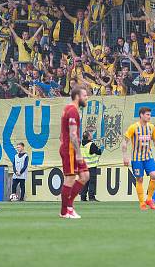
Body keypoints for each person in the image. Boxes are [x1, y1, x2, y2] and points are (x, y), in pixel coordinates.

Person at [122, 106, 155, 211]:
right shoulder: (133, 127)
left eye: (150, 114)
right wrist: (125, 156)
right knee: (139, 179)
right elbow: (125, 142)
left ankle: (149, 199)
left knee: (154, 175)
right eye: (147, 114)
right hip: (137, 158)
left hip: (148, 157)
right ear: (141, 115)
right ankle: (142, 203)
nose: (149, 116)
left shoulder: (151, 127)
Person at [59, 87, 90, 219]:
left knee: (85, 175)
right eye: (84, 95)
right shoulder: (72, 111)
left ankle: (68, 207)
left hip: (69, 147)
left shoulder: (68, 108)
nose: (86, 97)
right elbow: (72, 134)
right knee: (70, 178)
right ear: (77, 96)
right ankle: (65, 211)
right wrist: (78, 153)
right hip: (71, 149)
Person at [80, 131, 103, 202]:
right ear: (89, 137)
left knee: (85, 182)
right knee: (92, 182)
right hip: (91, 166)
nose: (92, 135)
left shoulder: (81, 144)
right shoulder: (91, 145)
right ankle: (91, 197)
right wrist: (100, 148)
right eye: (91, 134)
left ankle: (83, 197)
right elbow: (98, 152)